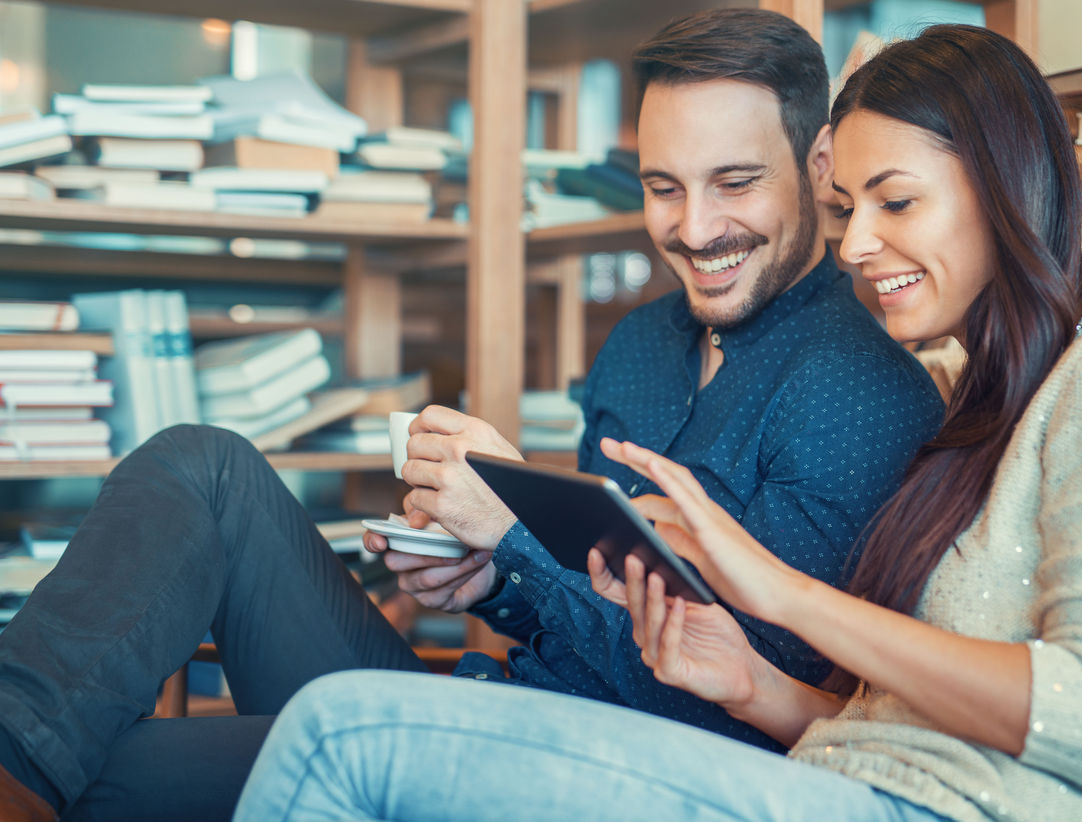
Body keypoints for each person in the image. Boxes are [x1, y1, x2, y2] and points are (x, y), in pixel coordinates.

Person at [231, 22, 1082, 822]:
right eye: (847, 208)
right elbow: (884, 731)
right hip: (845, 784)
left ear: (1005, 188)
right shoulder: (981, 418)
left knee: (333, 734)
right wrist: (750, 678)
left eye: (895, 203)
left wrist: (787, 598)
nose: (856, 246)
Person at [0, 9, 942, 822]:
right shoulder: (641, 347)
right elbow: (580, 606)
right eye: (663, 188)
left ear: (818, 163)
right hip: (485, 712)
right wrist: (489, 580)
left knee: (97, 772)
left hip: (599, 779)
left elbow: (738, 703)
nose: (694, 229)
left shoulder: (860, 392)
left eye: (735, 183)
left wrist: (518, 532)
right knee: (200, 466)